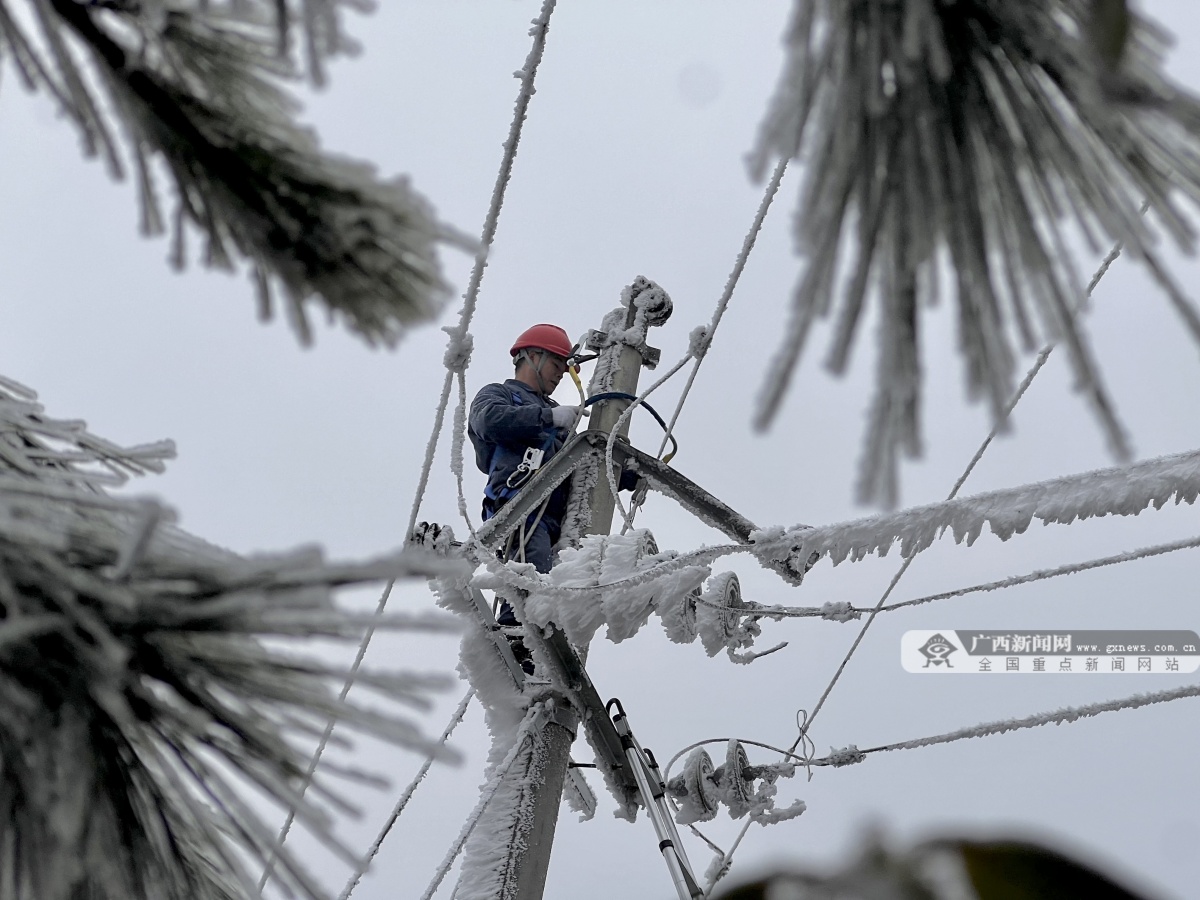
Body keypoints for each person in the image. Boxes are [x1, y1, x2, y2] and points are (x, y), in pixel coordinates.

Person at [469, 323, 584, 589]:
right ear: (533, 356)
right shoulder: (500, 394)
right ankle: (516, 618)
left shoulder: (557, 415)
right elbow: (488, 421)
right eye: (556, 364)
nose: (560, 375)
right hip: (523, 510)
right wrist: (547, 417)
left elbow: (582, 464)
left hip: (560, 523)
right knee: (531, 589)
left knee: (562, 594)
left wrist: (630, 472)